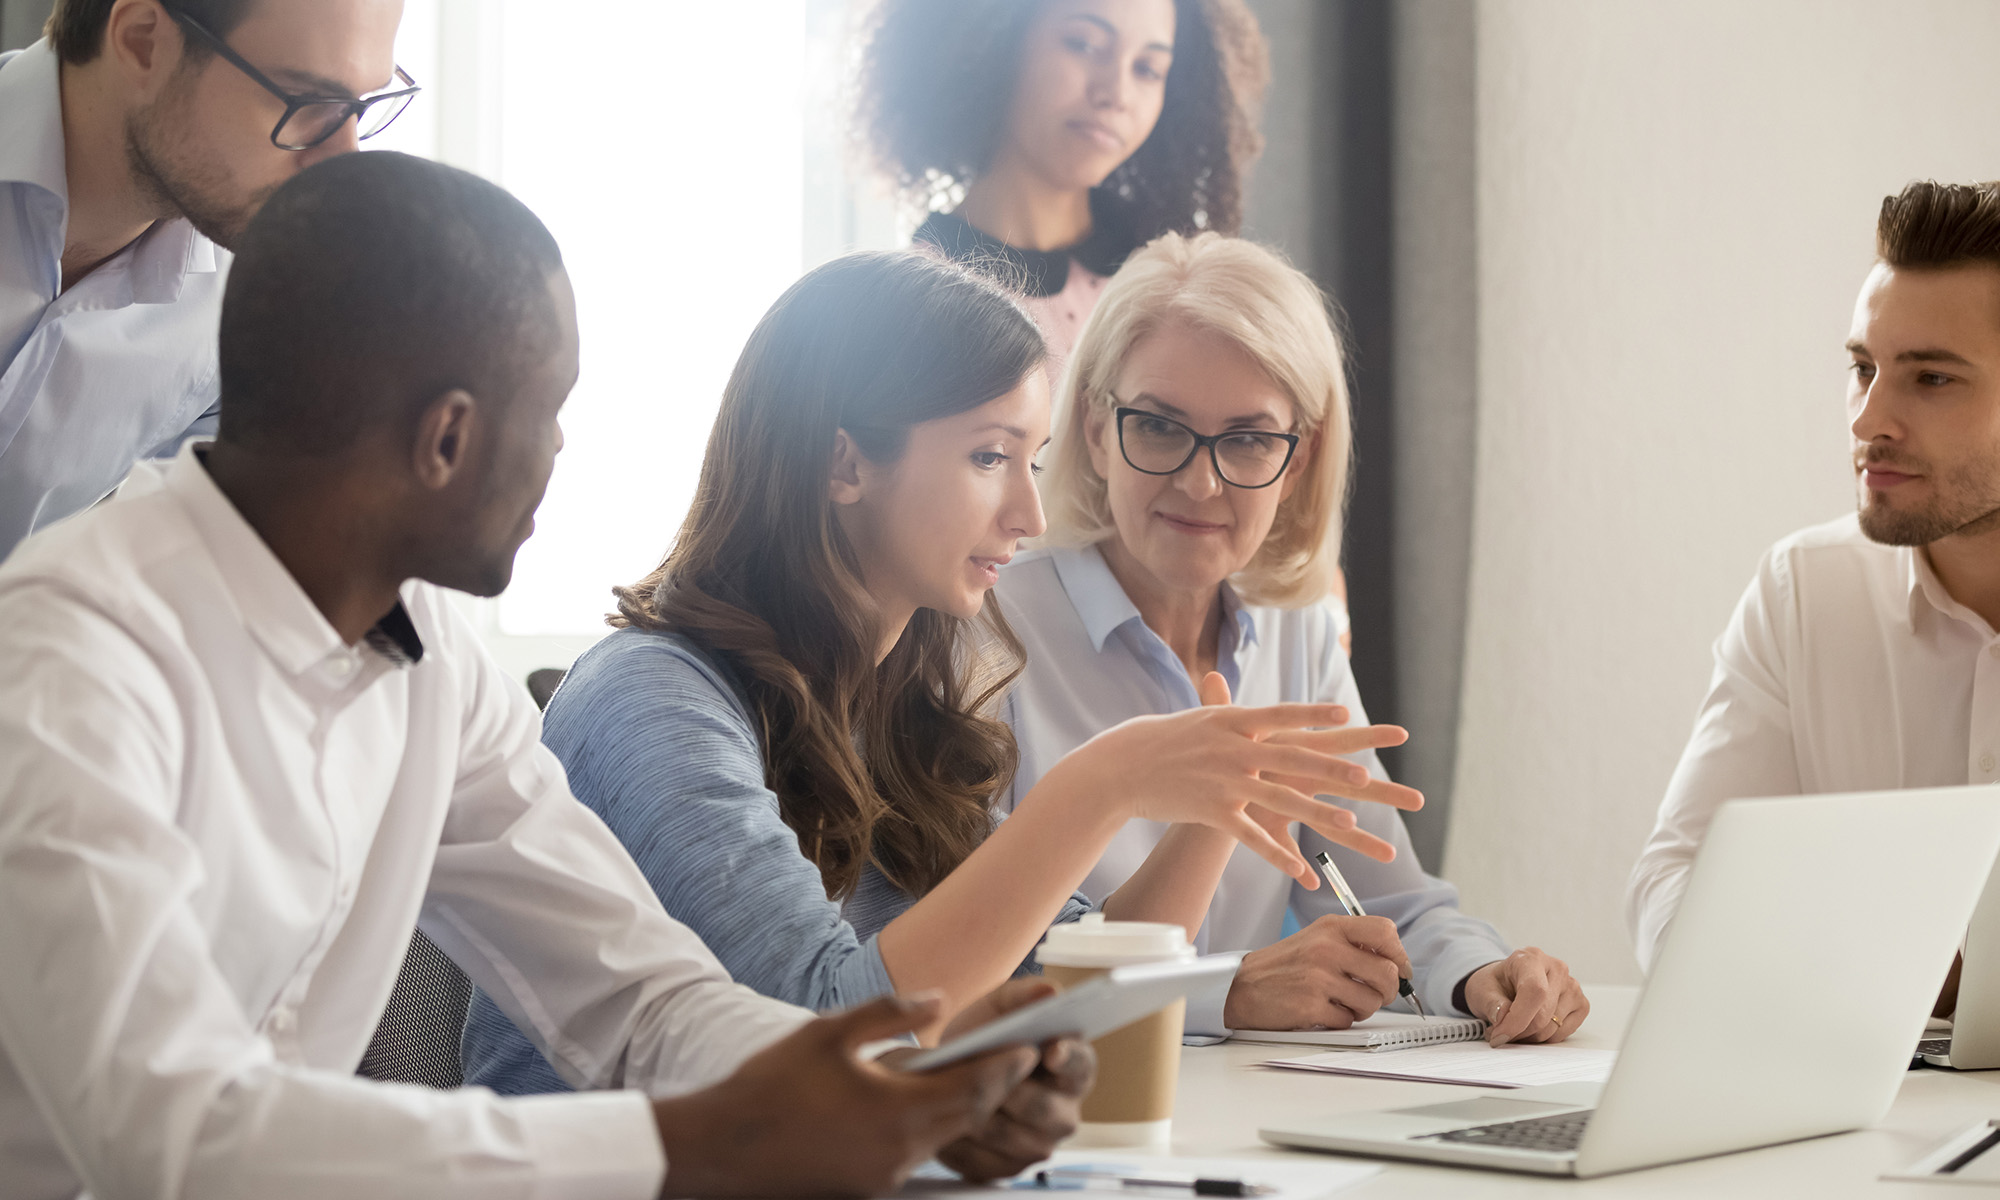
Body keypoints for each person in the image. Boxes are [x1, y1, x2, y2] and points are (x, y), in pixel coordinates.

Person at [0, 150, 1096, 1200]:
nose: (563, 448)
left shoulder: (427, 652)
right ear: (447, 438)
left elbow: (642, 998)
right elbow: (173, 1136)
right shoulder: (70, 659)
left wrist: (910, 1090)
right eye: (551, 406)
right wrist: (686, 1145)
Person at [461, 247, 1410, 1094]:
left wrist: (1219, 793)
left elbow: (1084, 989)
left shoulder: (887, 706)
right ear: (845, 463)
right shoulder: (651, 700)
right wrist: (1099, 785)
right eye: (988, 456)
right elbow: (829, 1031)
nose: (1029, 518)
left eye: (1029, 463)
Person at [1004, 231, 1591, 1047]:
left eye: (1247, 439)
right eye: (1160, 427)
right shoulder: (986, 629)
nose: (1201, 482)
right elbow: (995, 964)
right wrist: (1229, 990)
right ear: (1099, 432)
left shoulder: (1297, 629)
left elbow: (1391, 902)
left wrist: (1478, 979)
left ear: (1299, 458)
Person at [1629, 179, 2000, 999]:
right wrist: (1895, 969)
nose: (1870, 419)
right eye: (1862, 368)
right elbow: (1670, 894)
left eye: (1930, 379)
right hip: (1881, 1112)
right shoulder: (1806, 593)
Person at [0, 0, 412, 561]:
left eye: (361, 107)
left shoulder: (256, 308)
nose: (343, 159)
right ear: (144, 41)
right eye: (309, 102)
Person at [851, 0, 1266, 369]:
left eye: (1147, 69)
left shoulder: (1170, 285)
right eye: (1083, 44)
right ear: (993, 39)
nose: (1116, 93)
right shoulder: (909, 308)